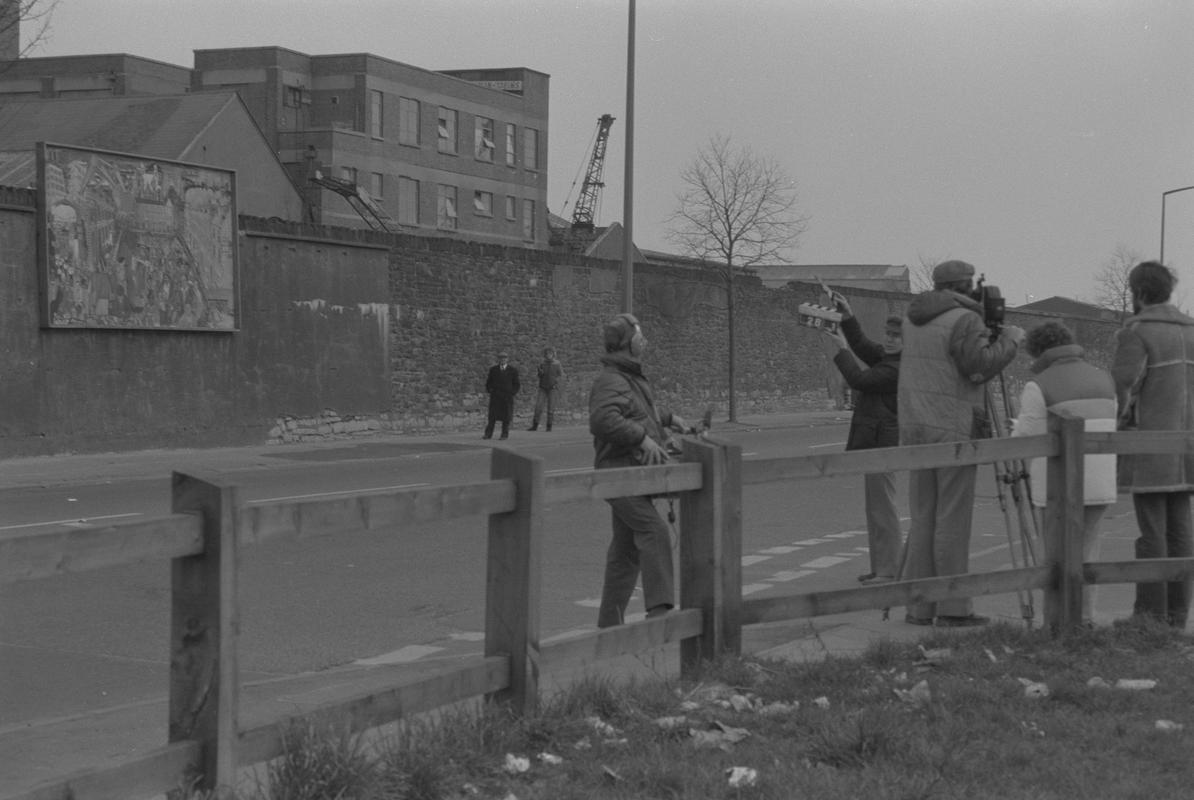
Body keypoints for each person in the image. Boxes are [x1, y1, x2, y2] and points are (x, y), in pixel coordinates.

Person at [898, 259, 1024, 627]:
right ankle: (954, 608)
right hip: (952, 428)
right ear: (965, 285)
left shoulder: (912, 318)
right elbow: (978, 367)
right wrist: (1009, 341)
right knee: (951, 521)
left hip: (916, 428)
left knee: (923, 519)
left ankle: (919, 607)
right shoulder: (964, 320)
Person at [1010, 321, 1117, 625]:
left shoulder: (1040, 384)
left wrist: (1014, 430)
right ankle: (1085, 617)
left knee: (1056, 555)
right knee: (1088, 551)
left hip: (1056, 485)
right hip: (1100, 480)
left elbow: (1029, 436)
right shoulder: (1103, 379)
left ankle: (1057, 620)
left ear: (1038, 351)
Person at [589, 312, 690, 627]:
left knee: (625, 551)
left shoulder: (627, 377)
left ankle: (609, 625)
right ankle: (660, 615)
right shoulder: (612, 379)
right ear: (628, 342)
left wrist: (668, 420)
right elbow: (604, 419)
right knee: (654, 532)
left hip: (630, 471)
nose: (644, 339)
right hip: (619, 472)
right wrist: (644, 440)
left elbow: (637, 414)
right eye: (639, 334)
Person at [1111, 261, 1194, 629]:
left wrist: (1120, 423)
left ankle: (1149, 617)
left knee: (1152, 534)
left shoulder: (1137, 333)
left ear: (1138, 292)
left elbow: (1124, 387)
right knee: (1181, 531)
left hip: (1149, 446)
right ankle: (1177, 616)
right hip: (1188, 448)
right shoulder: (1191, 330)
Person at [822, 299, 903, 585]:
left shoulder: (894, 370)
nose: (890, 340)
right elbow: (864, 345)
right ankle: (881, 565)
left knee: (883, 508)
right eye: (889, 334)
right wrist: (849, 316)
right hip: (876, 442)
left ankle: (889, 569)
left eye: (897, 336)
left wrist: (841, 347)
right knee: (876, 508)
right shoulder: (889, 358)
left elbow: (858, 379)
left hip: (883, 444)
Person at [483, 350, 520, 440]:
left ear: (507, 359)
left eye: (504, 358)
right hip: (496, 396)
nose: (502, 360)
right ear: (498, 359)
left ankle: (504, 434)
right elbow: (489, 382)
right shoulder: (493, 370)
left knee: (506, 417)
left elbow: (517, 384)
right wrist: (490, 390)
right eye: (501, 358)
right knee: (492, 417)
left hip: (507, 397)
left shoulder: (513, 370)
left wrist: (512, 393)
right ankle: (488, 434)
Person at [528, 347, 565, 431]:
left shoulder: (557, 363)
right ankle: (535, 425)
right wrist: (540, 372)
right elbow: (540, 376)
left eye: (550, 354)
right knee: (538, 407)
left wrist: (556, 383)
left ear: (553, 354)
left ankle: (549, 426)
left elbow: (561, 375)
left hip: (552, 388)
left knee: (550, 408)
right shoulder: (542, 363)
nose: (548, 355)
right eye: (547, 354)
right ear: (545, 355)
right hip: (543, 388)